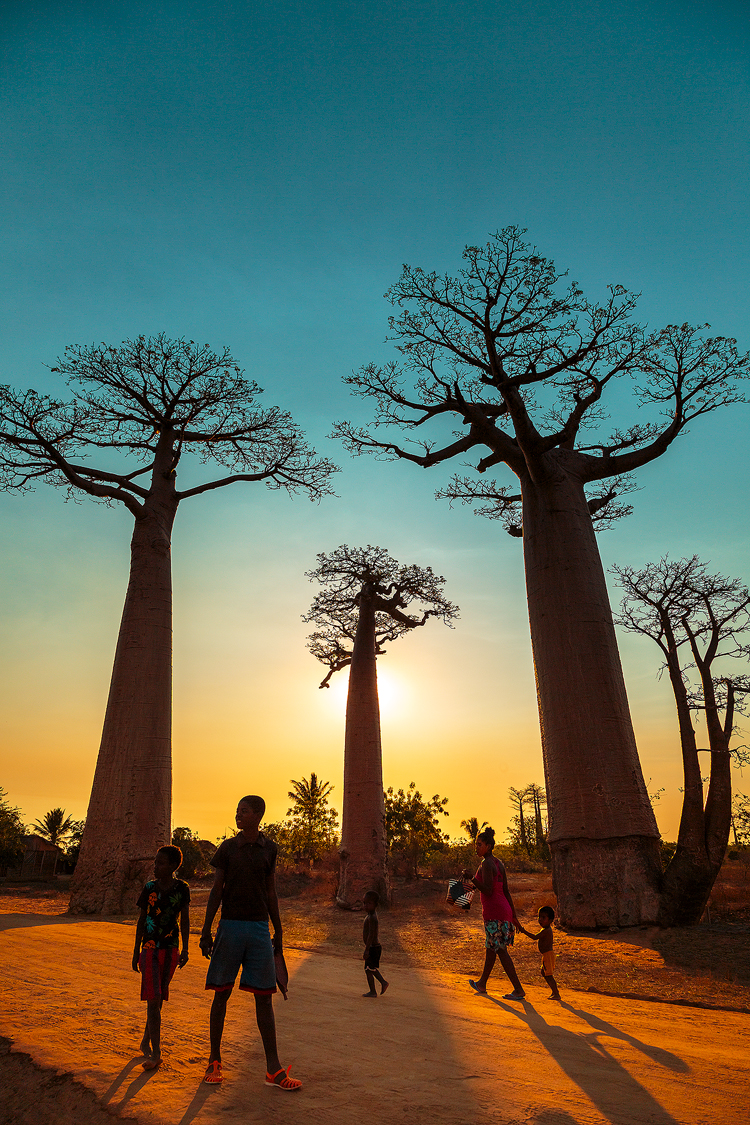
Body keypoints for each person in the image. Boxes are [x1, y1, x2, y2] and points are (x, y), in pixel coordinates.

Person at [199, 794, 301, 1092]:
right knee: (221, 994)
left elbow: (271, 892)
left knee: (264, 998)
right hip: (229, 927)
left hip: (258, 928)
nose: (237, 815)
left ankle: (273, 1069)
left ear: (259, 814)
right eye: (236, 811)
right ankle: (214, 1061)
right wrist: (206, 930)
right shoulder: (227, 849)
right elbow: (217, 890)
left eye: (243, 811)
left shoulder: (270, 850)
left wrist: (278, 931)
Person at [132, 844, 190, 1071]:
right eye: (155, 862)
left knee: (159, 995)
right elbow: (140, 920)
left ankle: (147, 1038)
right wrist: (135, 950)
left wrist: (185, 949)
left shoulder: (181, 888)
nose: (156, 867)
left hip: (170, 947)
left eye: (161, 863)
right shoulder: (149, 888)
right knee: (153, 998)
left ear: (174, 867)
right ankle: (156, 1053)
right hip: (149, 947)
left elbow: (184, 919)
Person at [462, 826, 525, 999]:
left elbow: (488, 890)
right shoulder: (499, 863)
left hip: (494, 911)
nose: (477, 847)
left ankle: (518, 989)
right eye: (476, 844)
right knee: (491, 947)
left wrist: (472, 878)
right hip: (502, 909)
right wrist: (513, 915)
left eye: (480, 844)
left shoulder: (486, 864)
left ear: (488, 846)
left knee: (499, 949)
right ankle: (482, 983)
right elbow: (506, 891)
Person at [520, 906, 561, 1000]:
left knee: (548, 975)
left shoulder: (547, 931)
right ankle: (554, 992)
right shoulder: (545, 929)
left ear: (550, 920)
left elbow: (534, 937)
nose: (540, 920)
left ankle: (556, 993)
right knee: (544, 973)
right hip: (546, 955)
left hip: (548, 955)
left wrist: (523, 931)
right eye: (539, 917)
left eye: (543, 918)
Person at [361, 890, 389, 997]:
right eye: (364, 903)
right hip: (373, 947)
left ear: (375, 905)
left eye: (369, 903)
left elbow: (371, 935)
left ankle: (373, 991)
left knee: (368, 970)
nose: (366, 906)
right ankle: (383, 982)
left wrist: (367, 949)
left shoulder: (372, 918)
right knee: (371, 968)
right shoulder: (370, 916)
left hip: (373, 948)